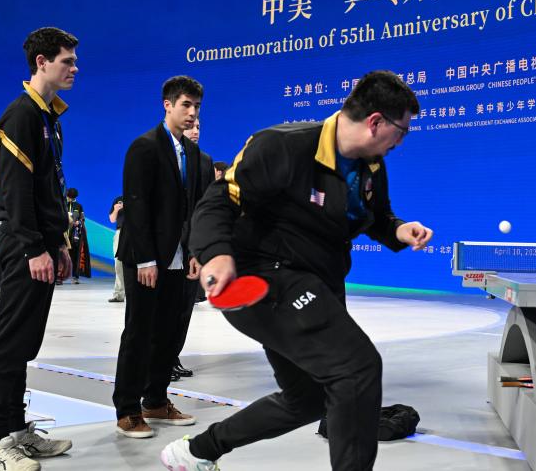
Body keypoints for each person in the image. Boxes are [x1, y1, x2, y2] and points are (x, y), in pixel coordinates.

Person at [161, 70, 433, 471]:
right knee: (357, 368)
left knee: (308, 399)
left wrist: (397, 229)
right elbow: (219, 200)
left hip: (318, 284)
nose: (402, 140)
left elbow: (375, 216)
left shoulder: (370, 166)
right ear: (376, 122)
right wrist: (216, 253)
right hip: (264, 280)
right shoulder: (283, 145)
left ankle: (197, 451)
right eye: (402, 130)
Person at [0, 27, 79, 470]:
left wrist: (59, 244)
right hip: (21, 248)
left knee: (24, 343)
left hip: (41, 245)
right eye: (67, 61)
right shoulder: (20, 116)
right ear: (42, 62)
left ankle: (16, 429)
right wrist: (31, 249)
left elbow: (49, 189)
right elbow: (15, 192)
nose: (75, 68)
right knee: (9, 344)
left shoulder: (48, 117)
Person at [113, 76, 204, 438]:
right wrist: (146, 259)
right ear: (167, 105)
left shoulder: (193, 154)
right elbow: (136, 206)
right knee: (139, 332)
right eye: (186, 105)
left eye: (196, 106)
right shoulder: (145, 147)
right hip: (145, 259)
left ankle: (155, 400)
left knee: (169, 332)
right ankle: (127, 410)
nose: (192, 112)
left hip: (179, 257)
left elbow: (193, 209)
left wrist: (194, 251)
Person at [171, 118, 214, 381]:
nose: (195, 130)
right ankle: (159, 360)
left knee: (185, 307)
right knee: (165, 308)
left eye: (199, 126)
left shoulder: (205, 161)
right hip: (166, 246)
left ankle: (172, 356)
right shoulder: (162, 155)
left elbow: (206, 206)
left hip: (190, 247)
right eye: (190, 127)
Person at [65, 188, 90, 284]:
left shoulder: (79, 206)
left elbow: (82, 219)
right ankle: (59, 277)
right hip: (63, 234)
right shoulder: (62, 204)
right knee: (61, 255)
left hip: (74, 235)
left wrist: (78, 222)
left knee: (75, 255)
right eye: (69, 197)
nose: (69, 199)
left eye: (71, 197)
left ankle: (75, 276)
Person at [107, 197, 125, 302]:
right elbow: (112, 219)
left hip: (136, 232)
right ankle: (119, 294)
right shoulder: (118, 199)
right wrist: (116, 210)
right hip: (120, 232)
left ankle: (138, 295)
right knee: (118, 264)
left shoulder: (140, 198)